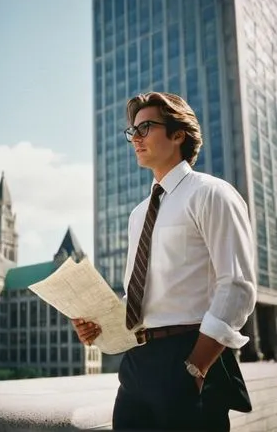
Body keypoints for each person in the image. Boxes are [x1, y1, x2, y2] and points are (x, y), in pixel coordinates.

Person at [72, 92, 256, 431]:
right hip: (136, 364)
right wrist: (99, 325)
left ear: (177, 134)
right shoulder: (138, 214)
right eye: (133, 131)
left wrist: (196, 367)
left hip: (190, 355)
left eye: (146, 127)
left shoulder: (211, 194)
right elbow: (139, 297)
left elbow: (237, 287)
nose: (135, 138)